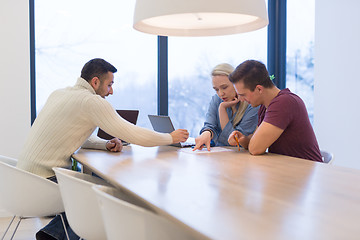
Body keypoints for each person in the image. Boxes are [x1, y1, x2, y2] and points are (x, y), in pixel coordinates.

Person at [16, 58, 189, 240]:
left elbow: (76, 134)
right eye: (110, 84)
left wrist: (104, 144)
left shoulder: (59, 94)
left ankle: (52, 234)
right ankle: (56, 236)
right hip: (43, 181)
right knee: (106, 192)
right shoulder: (90, 102)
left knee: (96, 186)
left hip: (24, 178)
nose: (111, 91)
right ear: (95, 82)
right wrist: (170, 137)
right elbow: (132, 133)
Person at [227, 60, 322, 162]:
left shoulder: (284, 102)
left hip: (306, 172)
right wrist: (243, 140)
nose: (241, 99)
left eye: (243, 95)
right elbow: (255, 140)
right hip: (288, 169)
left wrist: (251, 143)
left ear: (259, 89)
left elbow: (255, 148)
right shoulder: (266, 106)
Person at [193, 63, 259, 151]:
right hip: (219, 156)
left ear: (236, 83)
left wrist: (222, 109)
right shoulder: (216, 99)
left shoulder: (252, 104)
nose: (220, 94)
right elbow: (210, 125)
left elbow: (234, 141)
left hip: (241, 158)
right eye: (216, 89)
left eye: (224, 87)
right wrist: (206, 133)